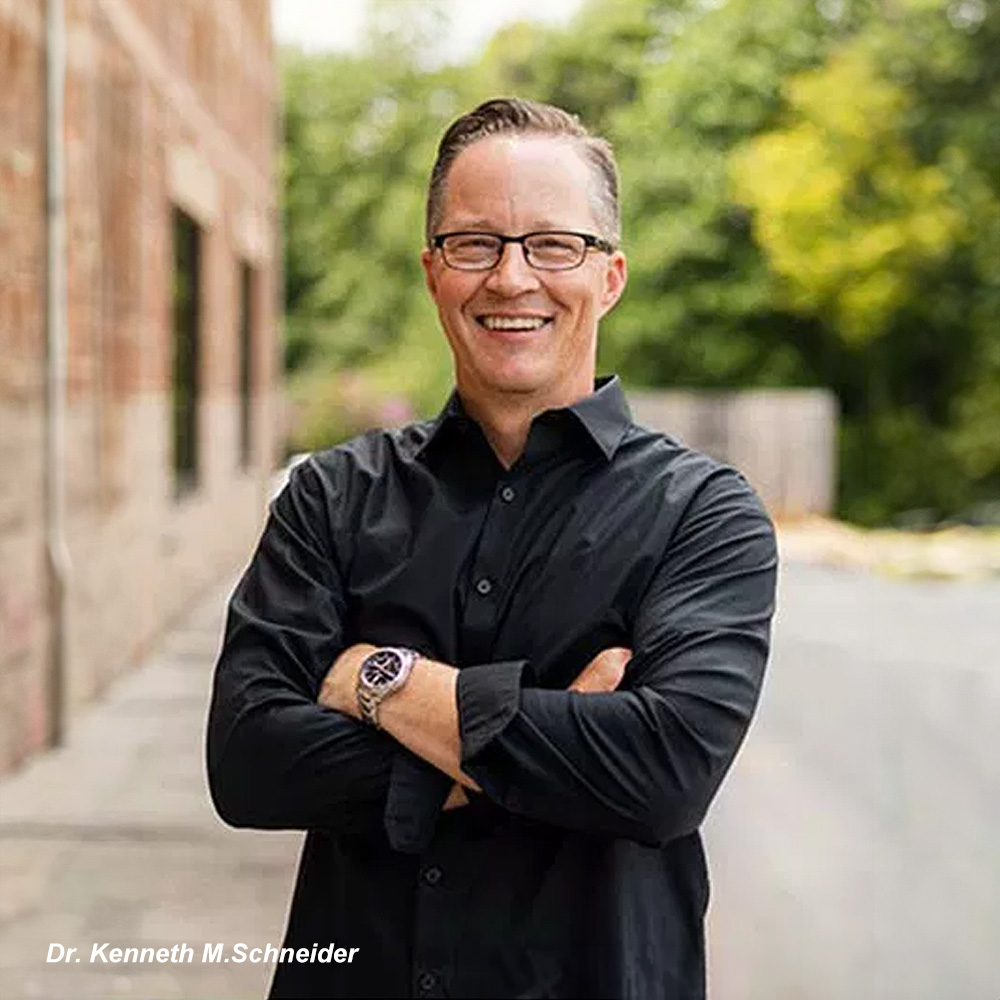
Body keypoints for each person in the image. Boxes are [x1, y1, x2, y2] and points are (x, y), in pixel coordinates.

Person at [207, 97, 778, 1000]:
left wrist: (382, 682)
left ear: (612, 276)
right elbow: (248, 763)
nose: (513, 278)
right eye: (475, 244)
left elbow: (663, 774)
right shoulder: (331, 496)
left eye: (555, 245)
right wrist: (555, 740)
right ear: (434, 273)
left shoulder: (703, 514)